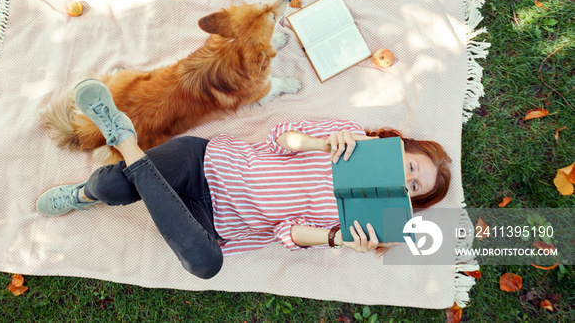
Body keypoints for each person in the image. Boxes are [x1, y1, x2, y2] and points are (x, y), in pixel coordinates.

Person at [37, 79, 452, 279]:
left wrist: (338, 239)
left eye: (414, 187)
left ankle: (126, 141)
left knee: (206, 264)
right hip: (205, 162)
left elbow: (287, 232)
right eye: (412, 166)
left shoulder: (357, 222)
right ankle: (85, 193)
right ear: (402, 147)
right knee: (108, 187)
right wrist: (324, 144)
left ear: (407, 201)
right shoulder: (350, 136)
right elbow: (280, 137)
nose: (406, 177)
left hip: (215, 222)